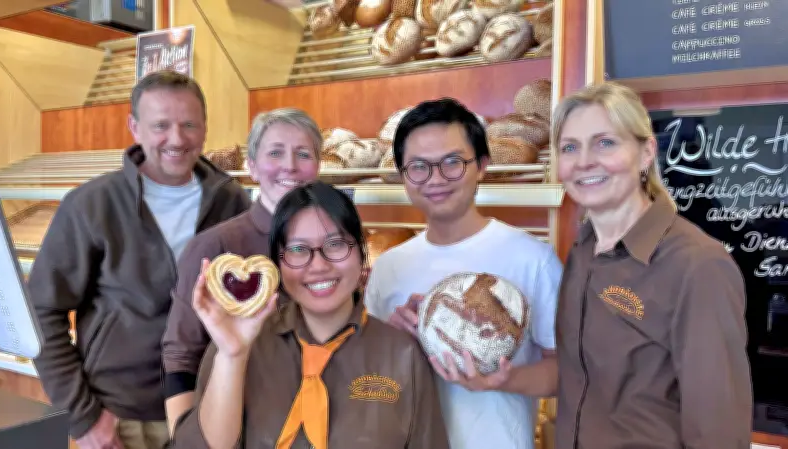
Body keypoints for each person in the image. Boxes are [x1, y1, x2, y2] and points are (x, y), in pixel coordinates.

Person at [27, 71, 252, 449]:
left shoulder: (233, 203)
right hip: (120, 422)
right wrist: (83, 418)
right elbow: (41, 312)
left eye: (189, 124)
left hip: (212, 409)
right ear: (135, 127)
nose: (177, 139)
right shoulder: (92, 206)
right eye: (161, 125)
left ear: (205, 127)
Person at [170, 181, 450, 448]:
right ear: (278, 263)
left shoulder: (402, 354)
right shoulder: (242, 345)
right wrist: (232, 355)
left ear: (361, 253)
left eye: (336, 244)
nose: (318, 265)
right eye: (297, 250)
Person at [551, 81, 752, 449]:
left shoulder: (697, 265)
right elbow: (579, 377)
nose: (583, 162)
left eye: (605, 142)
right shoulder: (582, 251)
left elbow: (717, 429)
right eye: (569, 148)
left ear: (646, 153)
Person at [364, 98, 561, 449]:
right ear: (404, 176)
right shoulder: (389, 267)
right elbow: (373, 377)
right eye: (419, 167)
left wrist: (502, 380)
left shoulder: (533, 258)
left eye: (452, 162)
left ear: (482, 166)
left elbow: (564, 372)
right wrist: (388, 342)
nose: (436, 179)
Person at [161, 108, 322, 434]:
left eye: (303, 154)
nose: (290, 164)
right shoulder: (215, 247)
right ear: (252, 167)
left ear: (317, 167)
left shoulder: (334, 247)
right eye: (275, 152)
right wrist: (187, 438)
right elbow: (180, 355)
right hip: (242, 429)